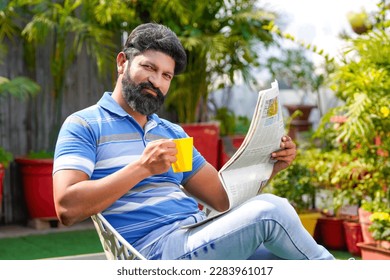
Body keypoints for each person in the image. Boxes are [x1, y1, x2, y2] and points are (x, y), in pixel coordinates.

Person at [53, 23, 334, 260]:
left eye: (166, 76)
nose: (156, 82)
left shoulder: (171, 133)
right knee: (272, 210)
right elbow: (67, 208)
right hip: (156, 254)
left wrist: (271, 166)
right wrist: (142, 168)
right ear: (122, 62)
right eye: (148, 67)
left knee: (285, 255)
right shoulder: (84, 125)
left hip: (198, 235)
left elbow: (222, 199)